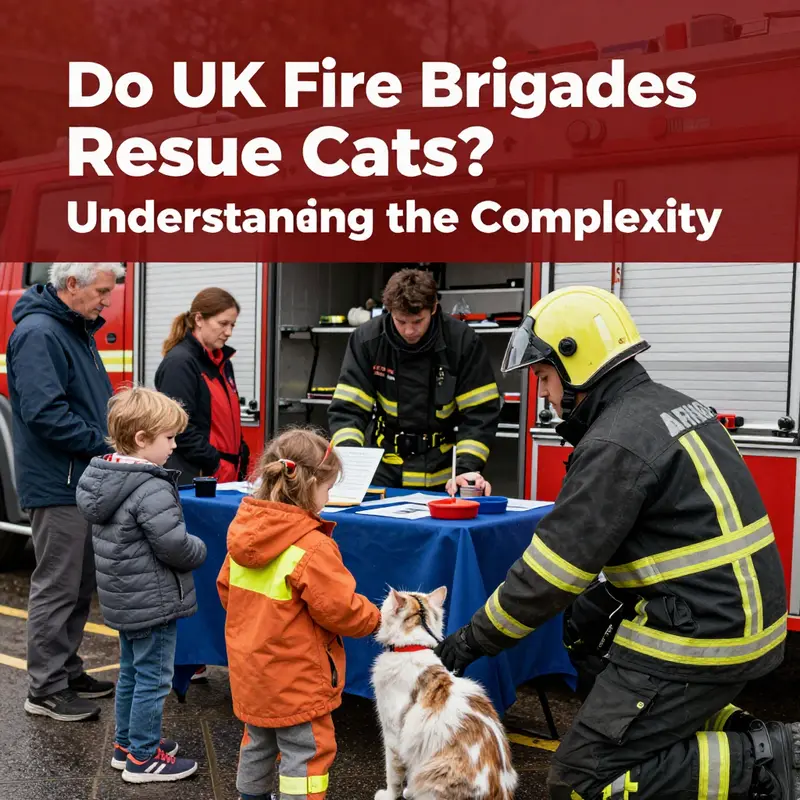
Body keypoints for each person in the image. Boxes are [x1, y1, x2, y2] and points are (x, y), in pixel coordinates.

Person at [434, 286, 798, 800]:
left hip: (701, 638)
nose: (544, 394)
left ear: (575, 362)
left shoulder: (613, 443)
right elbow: (676, 532)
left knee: (581, 780)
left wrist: (466, 643)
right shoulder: (672, 406)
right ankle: (716, 726)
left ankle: (764, 760)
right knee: (598, 656)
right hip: (735, 619)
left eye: (543, 376)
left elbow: (546, 579)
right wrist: (608, 596)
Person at [216, 427, 381, 800]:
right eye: (327, 488)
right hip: (298, 680)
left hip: (252, 675)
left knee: (256, 742)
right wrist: (377, 618)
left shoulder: (243, 536)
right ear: (309, 486)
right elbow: (341, 610)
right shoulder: (312, 546)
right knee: (306, 755)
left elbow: (226, 591)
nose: (329, 497)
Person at [7, 262, 125, 722]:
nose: (107, 303)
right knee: (58, 585)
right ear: (70, 284)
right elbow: (44, 413)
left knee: (78, 583)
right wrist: (106, 445)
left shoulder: (72, 328)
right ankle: (45, 689)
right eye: (101, 292)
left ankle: (67, 670)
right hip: (59, 483)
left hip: (77, 478)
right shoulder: (41, 333)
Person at [76, 386, 207, 783]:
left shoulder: (106, 478)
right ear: (141, 439)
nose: (173, 446)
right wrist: (199, 549)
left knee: (132, 672)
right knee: (153, 677)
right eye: (168, 438)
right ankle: (144, 758)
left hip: (125, 600)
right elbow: (173, 545)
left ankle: (127, 743)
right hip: (154, 601)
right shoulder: (150, 486)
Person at [327, 268, 501, 495]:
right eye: (401, 321)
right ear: (389, 311)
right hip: (383, 474)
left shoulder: (462, 342)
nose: (409, 331)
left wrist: (467, 468)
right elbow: (348, 409)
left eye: (418, 321)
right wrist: (350, 461)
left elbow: (480, 414)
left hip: (444, 478)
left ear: (434, 308)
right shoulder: (367, 340)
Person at [155, 287, 250, 486]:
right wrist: (215, 462)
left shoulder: (223, 363)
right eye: (223, 324)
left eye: (232, 325)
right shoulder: (180, 363)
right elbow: (178, 427)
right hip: (196, 479)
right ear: (199, 319)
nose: (229, 332)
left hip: (223, 477)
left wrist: (241, 457)